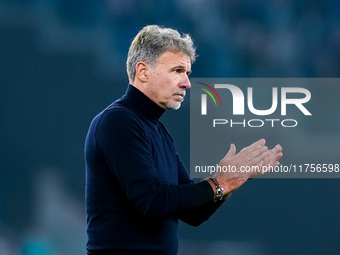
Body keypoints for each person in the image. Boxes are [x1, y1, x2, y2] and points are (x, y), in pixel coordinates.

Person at [84, 25, 283, 255]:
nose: (187, 83)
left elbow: (193, 213)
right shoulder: (118, 121)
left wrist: (231, 181)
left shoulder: (157, 130)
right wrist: (220, 183)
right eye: (177, 71)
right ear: (143, 71)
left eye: (187, 73)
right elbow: (152, 200)